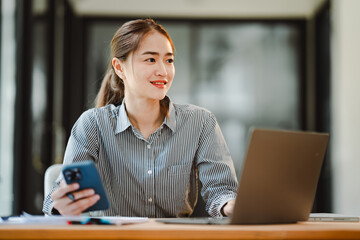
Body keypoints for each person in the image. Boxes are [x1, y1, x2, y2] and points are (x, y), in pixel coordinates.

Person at [43, 19, 238, 218]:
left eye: (169, 60)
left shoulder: (200, 122)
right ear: (119, 68)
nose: (163, 71)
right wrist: (61, 208)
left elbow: (221, 191)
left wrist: (230, 205)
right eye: (151, 60)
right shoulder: (93, 124)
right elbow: (56, 197)